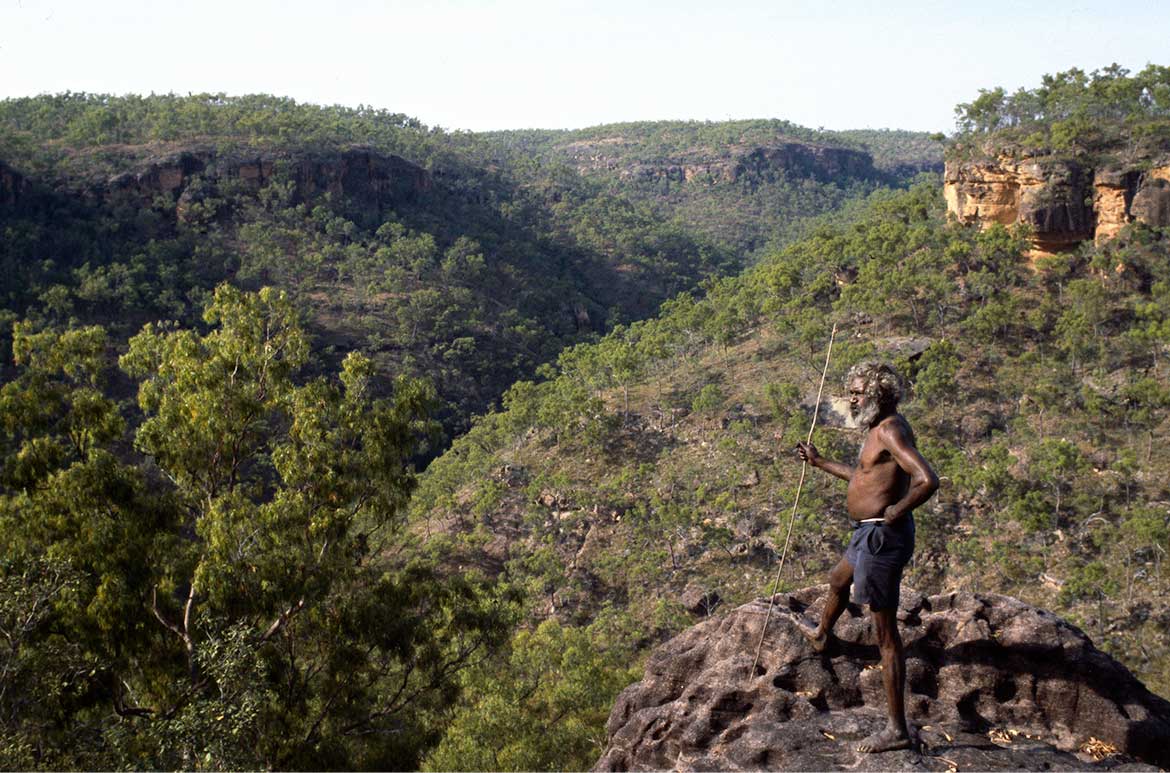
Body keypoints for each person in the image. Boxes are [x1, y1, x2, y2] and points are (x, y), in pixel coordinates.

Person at [794, 361, 939, 754]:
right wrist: (820, 462)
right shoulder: (877, 430)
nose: (853, 398)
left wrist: (898, 510)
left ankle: (897, 730)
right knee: (838, 579)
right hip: (866, 533)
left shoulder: (890, 429)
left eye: (858, 391)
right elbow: (863, 478)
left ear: (880, 393)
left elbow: (928, 479)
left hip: (881, 537)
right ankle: (823, 634)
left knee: (886, 635)